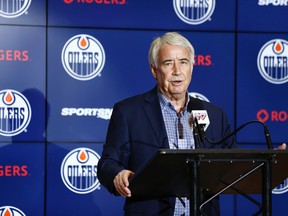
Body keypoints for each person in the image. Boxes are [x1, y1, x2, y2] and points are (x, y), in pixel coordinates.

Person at [97, 32, 285, 216]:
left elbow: (234, 165)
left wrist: (271, 161)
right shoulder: (129, 112)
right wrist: (118, 175)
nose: (177, 71)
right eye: (168, 63)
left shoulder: (214, 114)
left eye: (184, 62)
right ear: (154, 70)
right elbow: (107, 163)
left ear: (192, 67)